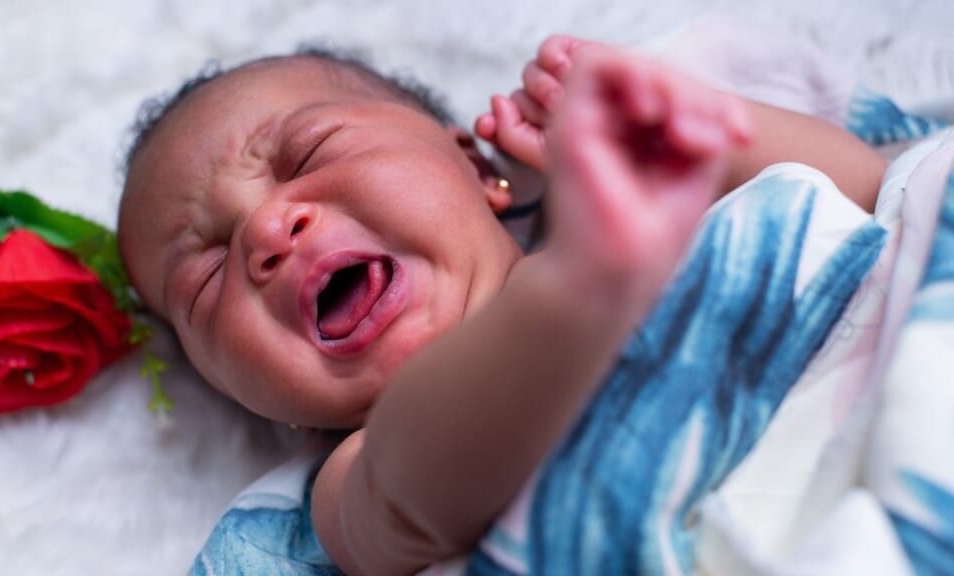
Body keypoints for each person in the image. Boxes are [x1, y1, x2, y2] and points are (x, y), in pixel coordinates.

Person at [117, 35, 885, 574]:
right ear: (255, 400)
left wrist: (686, 131)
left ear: (476, 166)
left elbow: (873, 193)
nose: (266, 232)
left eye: (310, 153)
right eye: (207, 278)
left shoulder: (680, 220)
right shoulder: (352, 482)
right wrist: (581, 288)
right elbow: (411, 491)